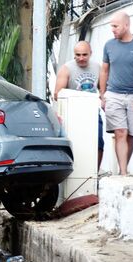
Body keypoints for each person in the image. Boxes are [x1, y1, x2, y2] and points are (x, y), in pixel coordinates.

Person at [99, 11, 133, 175]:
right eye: (111, 26)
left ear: (126, 25)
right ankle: (123, 172)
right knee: (120, 132)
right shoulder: (109, 45)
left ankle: (125, 168)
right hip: (114, 95)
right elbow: (104, 71)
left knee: (130, 135)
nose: (112, 29)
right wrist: (103, 95)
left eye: (115, 26)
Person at [54, 40, 104, 169]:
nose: (81, 58)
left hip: (92, 112)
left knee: (98, 144)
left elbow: (103, 90)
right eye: (78, 55)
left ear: (90, 53)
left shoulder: (97, 68)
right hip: (73, 113)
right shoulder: (66, 69)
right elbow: (57, 94)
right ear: (74, 54)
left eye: (84, 55)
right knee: (75, 145)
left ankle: (94, 174)